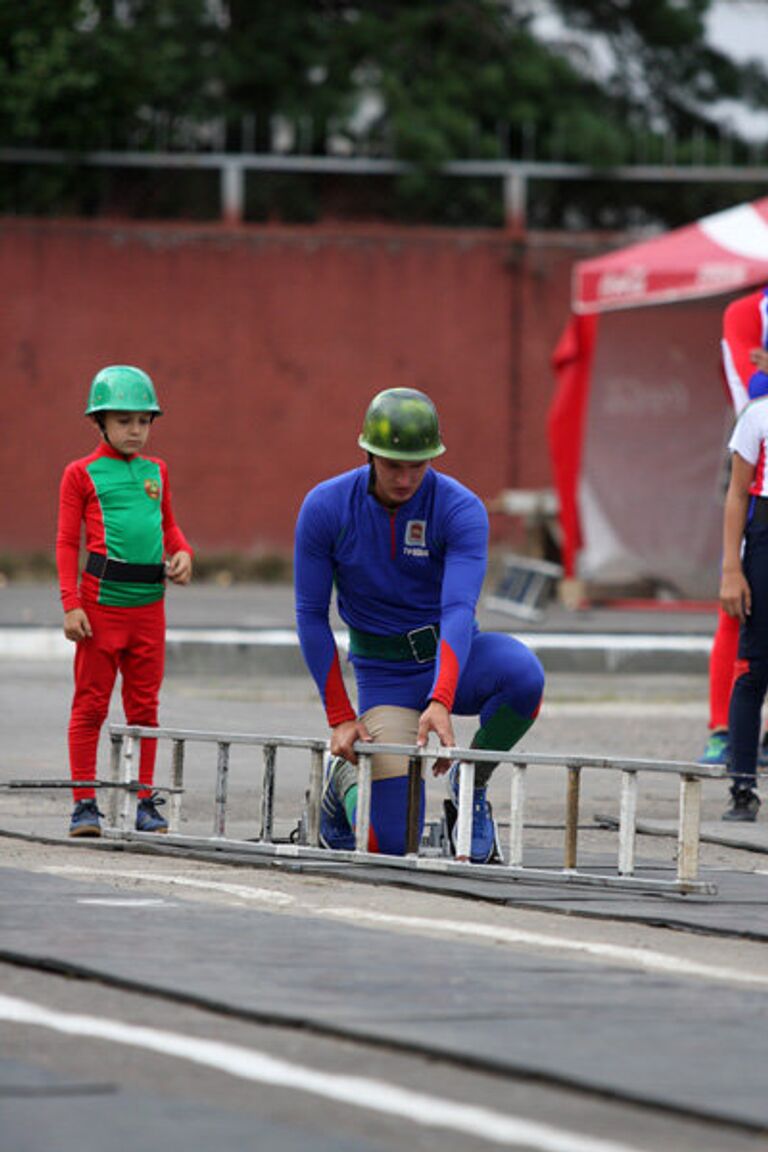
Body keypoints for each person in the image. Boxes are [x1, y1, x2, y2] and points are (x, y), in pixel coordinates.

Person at [294, 386, 545, 862]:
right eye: (393, 465)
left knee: (524, 675)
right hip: (384, 675)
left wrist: (442, 697)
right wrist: (340, 716)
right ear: (368, 452)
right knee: (387, 845)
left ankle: (470, 785)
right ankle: (341, 780)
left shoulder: (460, 508)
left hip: (453, 657)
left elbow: (457, 609)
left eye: (418, 465)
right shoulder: (325, 507)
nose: (406, 478)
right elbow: (310, 614)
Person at [56, 365, 193, 837]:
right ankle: (83, 803)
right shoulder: (80, 473)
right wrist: (70, 602)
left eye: (144, 421)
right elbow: (65, 543)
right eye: (123, 421)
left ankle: (144, 802)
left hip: (149, 609)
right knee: (90, 705)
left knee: (144, 708)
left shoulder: (157, 472)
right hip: (99, 609)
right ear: (100, 422)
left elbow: (169, 527)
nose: (135, 431)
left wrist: (183, 553)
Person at [699, 286, 768, 768]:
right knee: (740, 604)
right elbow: (754, 398)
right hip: (756, 466)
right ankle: (722, 728)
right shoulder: (746, 312)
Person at [719, 375, 768, 821]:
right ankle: (742, 787)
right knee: (755, 668)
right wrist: (731, 570)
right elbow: (736, 494)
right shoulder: (757, 415)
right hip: (764, 541)